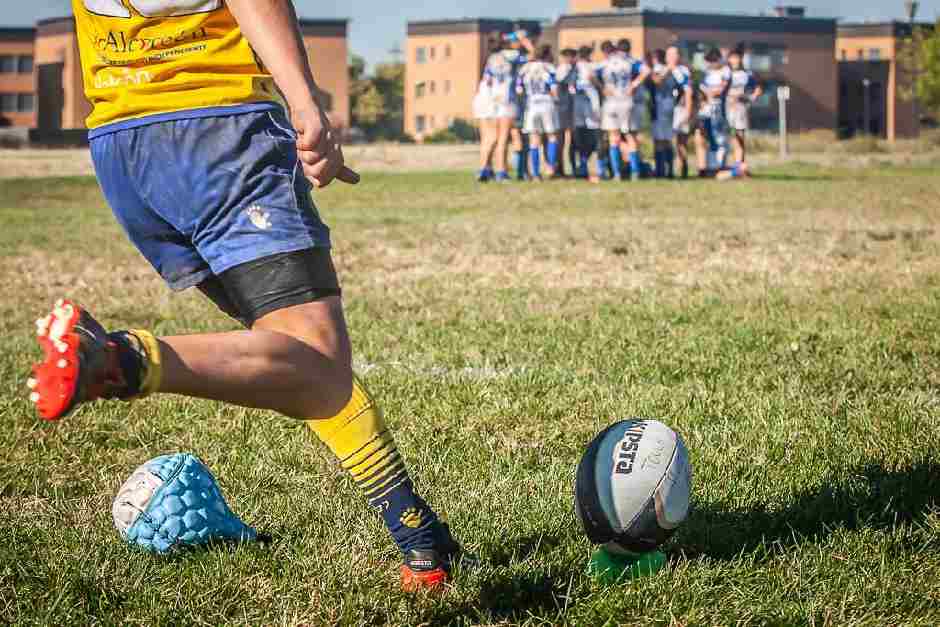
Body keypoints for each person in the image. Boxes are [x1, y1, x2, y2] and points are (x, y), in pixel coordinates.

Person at [30, 0, 461, 592]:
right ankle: (119, 360)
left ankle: (421, 539)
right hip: (216, 132)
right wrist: (306, 100)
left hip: (123, 148)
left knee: (301, 359)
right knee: (316, 360)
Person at [597, 39, 650, 181]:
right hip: (626, 101)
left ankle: (617, 173)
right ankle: (635, 172)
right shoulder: (630, 61)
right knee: (630, 136)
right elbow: (646, 71)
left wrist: (602, 87)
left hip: (611, 102)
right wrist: (634, 84)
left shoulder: (606, 62)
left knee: (613, 138)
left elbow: (590, 74)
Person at [485, 29, 534, 181]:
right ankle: (501, 171)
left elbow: (487, 80)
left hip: (494, 100)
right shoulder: (509, 55)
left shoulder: (491, 58)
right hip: (508, 100)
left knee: (495, 137)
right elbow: (531, 56)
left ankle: (488, 168)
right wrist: (525, 40)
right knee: (503, 139)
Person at [719, 46, 763, 180]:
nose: (734, 60)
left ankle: (740, 168)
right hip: (728, 109)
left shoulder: (747, 74)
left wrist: (750, 98)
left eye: (737, 58)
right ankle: (736, 167)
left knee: (740, 138)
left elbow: (758, 89)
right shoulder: (726, 73)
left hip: (740, 110)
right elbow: (722, 90)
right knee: (733, 139)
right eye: (732, 58)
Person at [517, 44, 560, 181]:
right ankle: (550, 167)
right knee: (552, 136)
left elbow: (519, 90)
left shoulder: (525, 69)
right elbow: (554, 89)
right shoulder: (549, 68)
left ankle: (535, 174)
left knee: (534, 140)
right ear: (547, 54)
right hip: (547, 102)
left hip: (532, 104)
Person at [694, 48, 731, 177]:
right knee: (709, 137)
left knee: (719, 138)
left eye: (710, 62)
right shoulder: (706, 73)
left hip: (719, 108)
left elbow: (721, 89)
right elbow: (702, 89)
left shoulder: (725, 71)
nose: (709, 65)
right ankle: (710, 166)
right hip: (707, 109)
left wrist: (711, 92)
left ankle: (719, 166)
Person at [474, 36, 502, 182]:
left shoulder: (489, 60)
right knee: (492, 137)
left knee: (487, 137)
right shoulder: (498, 60)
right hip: (488, 102)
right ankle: (483, 168)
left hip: (481, 100)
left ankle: (486, 168)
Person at [573, 45, 602, 182]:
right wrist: (601, 89)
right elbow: (592, 78)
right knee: (594, 137)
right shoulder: (592, 67)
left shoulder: (574, 67)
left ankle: (582, 166)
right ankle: (595, 168)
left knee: (580, 137)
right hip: (591, 104)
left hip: (577, 104)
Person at [666, 46, 693, 179]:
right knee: (669, 140)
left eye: (674, 54)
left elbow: (688, 91)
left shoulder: (683, 71)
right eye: (669, 54)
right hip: (666, 110)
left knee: (680, 140)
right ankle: (670, 169)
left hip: (679, 109)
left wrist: (688, 110)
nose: (671, 57)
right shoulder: (664, 69)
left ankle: (683, 168)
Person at [554, 48, 579, 178]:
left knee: (566, 140)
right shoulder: (564, 69)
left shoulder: (572, 69)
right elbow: (559, 85)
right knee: (561, 139)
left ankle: (565, 168)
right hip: (563, 108)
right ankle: (558, 168)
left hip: (568, 107)